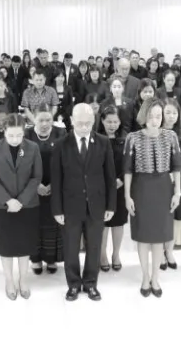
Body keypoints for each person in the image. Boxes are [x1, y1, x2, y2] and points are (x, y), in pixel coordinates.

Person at [51, 103, 117, 302]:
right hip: (70, 206)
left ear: (93, 121)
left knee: (94, 247)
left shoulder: (103, 142)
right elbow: (56, 179)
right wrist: (57, 209)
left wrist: (111, 205)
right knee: (71, 248)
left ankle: (90, 283)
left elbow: (110, 177)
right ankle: (73, 284)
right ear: (71, 121)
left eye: (88, 123)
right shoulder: (61, 144)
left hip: (96, 205)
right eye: (80, 123)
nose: (84, 127)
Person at [124, 98, 181, 297]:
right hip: (141, 189)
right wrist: (127, 196)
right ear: (143, 115)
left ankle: (155, 278)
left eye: (159, 116)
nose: (155, 120)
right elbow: (128, 170)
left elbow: (177, 167)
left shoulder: (171, 136)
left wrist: (177, 192)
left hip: (164, 189)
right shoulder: (132, 138)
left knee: (159, 237)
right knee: (143, 236)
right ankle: (145, 276)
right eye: (151, 115)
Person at [0, 113, 42, 300]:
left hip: (27, 205)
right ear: (4, 131)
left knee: (24, 244)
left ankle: (23, 279)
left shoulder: (33, 147)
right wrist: (8, 200)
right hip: (2, 206)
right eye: (11, 135)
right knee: (6, 246)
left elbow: (36, 177)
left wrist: (21, 200)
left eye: (19, 135)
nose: (15, 139)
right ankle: (9, 280)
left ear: (24, 132)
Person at [25, 103, 66, 275]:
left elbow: (66, 162)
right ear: (33, 118)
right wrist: (36, 185)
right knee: (34, 225)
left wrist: (53, 185)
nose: (44, 124)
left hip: (54, 188)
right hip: (32, 189)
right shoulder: (26, 135)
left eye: (48, 119)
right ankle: (35, 259)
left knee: (52, 225)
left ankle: (51, 259)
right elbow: (21, 164)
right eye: (41, 120)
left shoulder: (61, 134)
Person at [159, 98, 181, 270]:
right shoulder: (156, 130)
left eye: (174, 113)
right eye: (168, 112)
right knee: (162, 215)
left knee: (177, 216)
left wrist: (176, 170)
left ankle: (170, 251)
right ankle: (160, 252)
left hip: (179, 177)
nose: (171, 116)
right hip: (160, 178)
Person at [99, 105, 128, 273]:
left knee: (118, 223)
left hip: (120, 187)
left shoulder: (125, 140)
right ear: (102, 121)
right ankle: (102, 255)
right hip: (101, 188)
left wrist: (121, 180)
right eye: (109, 121)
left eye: (115, 121)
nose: (112, 125)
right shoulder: (96, 139)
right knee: (102, 223)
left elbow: (129, 164)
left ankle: (116, 254)